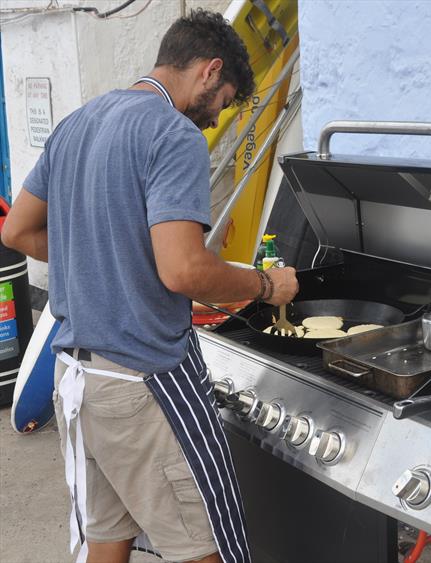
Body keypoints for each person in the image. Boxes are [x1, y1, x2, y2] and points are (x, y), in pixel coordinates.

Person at [2, 9, 298, 563]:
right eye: (224, 100)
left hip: (78, 378)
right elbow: (183, 272)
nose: (215, 120)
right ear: (209, 72)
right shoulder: (173, 134)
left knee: (107, 540)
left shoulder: (79, 121)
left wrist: (104, 254)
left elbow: (17, 229)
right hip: (144, 382)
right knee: (209, 546)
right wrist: (265, 286)